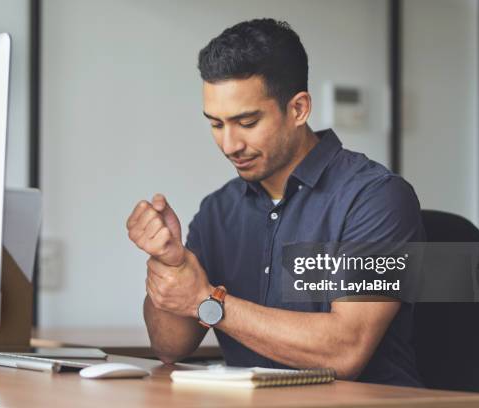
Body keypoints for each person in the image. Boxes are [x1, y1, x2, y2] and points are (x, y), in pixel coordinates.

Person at [126, 18, 424, 387]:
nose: (229, 145)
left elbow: (345, 351)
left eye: (247, 122)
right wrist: (170, 264)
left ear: (298, 109)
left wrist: (208, 302)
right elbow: (170, 347)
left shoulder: (376, 198)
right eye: (216, 125)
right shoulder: (217, 211)